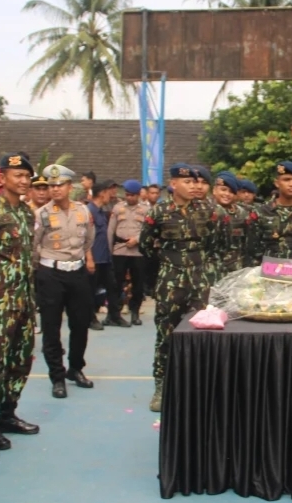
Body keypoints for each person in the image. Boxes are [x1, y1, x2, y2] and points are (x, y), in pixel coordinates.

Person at [140, 163, 223, 412]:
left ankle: (198, 387)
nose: (193, 186)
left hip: (200, 280)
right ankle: (161, 386)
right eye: (186, 182)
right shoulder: (159, 212)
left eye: (195, 182)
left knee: (201, 333)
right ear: (173, 184)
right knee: (166, 334)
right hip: (171, 280)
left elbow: (215, 242)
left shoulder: (208, 210)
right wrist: (168, 261)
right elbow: (145, 246)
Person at [0, 154, 39, 450]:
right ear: (2, 178)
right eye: (18, 175)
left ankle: (8, 414)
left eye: (27, 176)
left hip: (23, 301)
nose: (24, 181)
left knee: (20, 360)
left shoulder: (26, 213)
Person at [34, 165, 96, 399]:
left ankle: (76, 368)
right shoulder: (41, 214)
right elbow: (33, 244)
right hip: (51, 273)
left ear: (70, 186)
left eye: (60, 185)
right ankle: (57, 377)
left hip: (77, 272)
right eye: (51, 185)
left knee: (80, 324)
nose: (55, 189)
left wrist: (82, 258)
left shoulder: (83, 211)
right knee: (51, 327)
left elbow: (89, 239)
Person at [108, 180, 150, 325]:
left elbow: (148, 230)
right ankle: (114, 313)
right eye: (127, 195)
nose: (129, 197)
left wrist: (137, 239)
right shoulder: (118, 208)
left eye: (132, 195)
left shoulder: (146, 209)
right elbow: (111, 230)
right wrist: (110, 251)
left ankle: (135, 312)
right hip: (120, 250)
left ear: (138, 195)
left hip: (137, 251)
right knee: (116, 283)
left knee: (138, 284)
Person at [87, 182, 128, 329]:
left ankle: (114, 316)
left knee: (113, 287)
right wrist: (89, 258)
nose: (110, 195)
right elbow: (86, 237)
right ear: (101, 193)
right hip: (94, 258)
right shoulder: (89, 211)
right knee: (90, 290)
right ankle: (90, 318)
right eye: (107, 192)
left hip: (105, 257)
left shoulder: (101, 211)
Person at [212, 172, 252, 275]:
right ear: (214, 190)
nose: (227, 194)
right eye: (223, 190)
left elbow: (247, 243)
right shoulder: (206, 211)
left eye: (231, 191)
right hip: (212, 269)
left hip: (237, 268)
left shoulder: (243, 213)